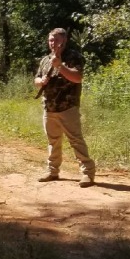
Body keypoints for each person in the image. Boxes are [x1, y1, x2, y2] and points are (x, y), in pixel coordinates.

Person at [33, 28, 96, 187]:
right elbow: (36, 78)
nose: (53, 43)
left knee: (75, 140)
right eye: (51, 40)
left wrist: (60, 65)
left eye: (57, 40)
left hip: (68, 107)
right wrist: (40, 82)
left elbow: (77, 78)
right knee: (53, 141)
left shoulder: (73, 57)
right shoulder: (45, 59)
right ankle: (52, 171)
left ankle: (87, 173)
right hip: (49, 106)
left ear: (64, 41)